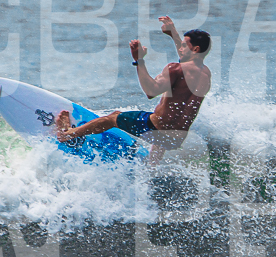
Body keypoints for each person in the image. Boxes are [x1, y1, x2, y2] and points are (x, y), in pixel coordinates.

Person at [55, 16, 212, 162]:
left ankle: (68, 134)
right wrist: (174, 34)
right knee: (168, 122)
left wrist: (139, 60)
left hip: (155, 128)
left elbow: (151, 91)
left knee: (113, 118)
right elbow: (187, 58)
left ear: (195, 49)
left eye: (184, 45)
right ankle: (152, 168)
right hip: (176, 139)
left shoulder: (175, 69)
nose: (181, 48)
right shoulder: (205, 74)